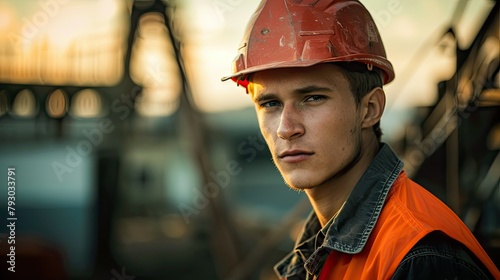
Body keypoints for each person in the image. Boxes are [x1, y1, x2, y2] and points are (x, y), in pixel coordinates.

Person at [221, 0, 500, 279]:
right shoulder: (321, 242)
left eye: (313, 98)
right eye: (270, 103)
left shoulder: (421, 258)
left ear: (369, 110)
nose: (286, 128)